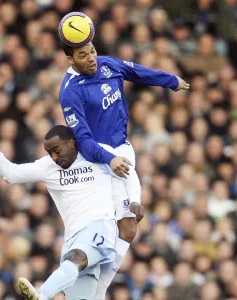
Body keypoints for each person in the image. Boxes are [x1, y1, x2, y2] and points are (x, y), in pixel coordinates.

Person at [58, 12, 190, 299]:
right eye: (83, 55)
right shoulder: (69, 92)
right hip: (98, 162)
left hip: (123, 152)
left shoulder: (107, 65)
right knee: (106, 233)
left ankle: (96, 291)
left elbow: (138, 71)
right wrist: (109, 160)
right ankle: (71, 285)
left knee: (130, 228)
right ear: (70, 59)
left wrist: (170, 81)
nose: (91, 58)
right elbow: (82, 140)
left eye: (92, 51)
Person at [0, 126, 143, 300]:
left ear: (71, 143)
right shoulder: (47, 166)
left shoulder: (97, 152)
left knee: (75, 257)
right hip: (72, 237)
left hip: (100, 228)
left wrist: (135, 200)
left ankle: (42, 294)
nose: (54, 157)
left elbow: (128, 173)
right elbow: (12, 174)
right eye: (49, 153)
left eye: (56, 150)